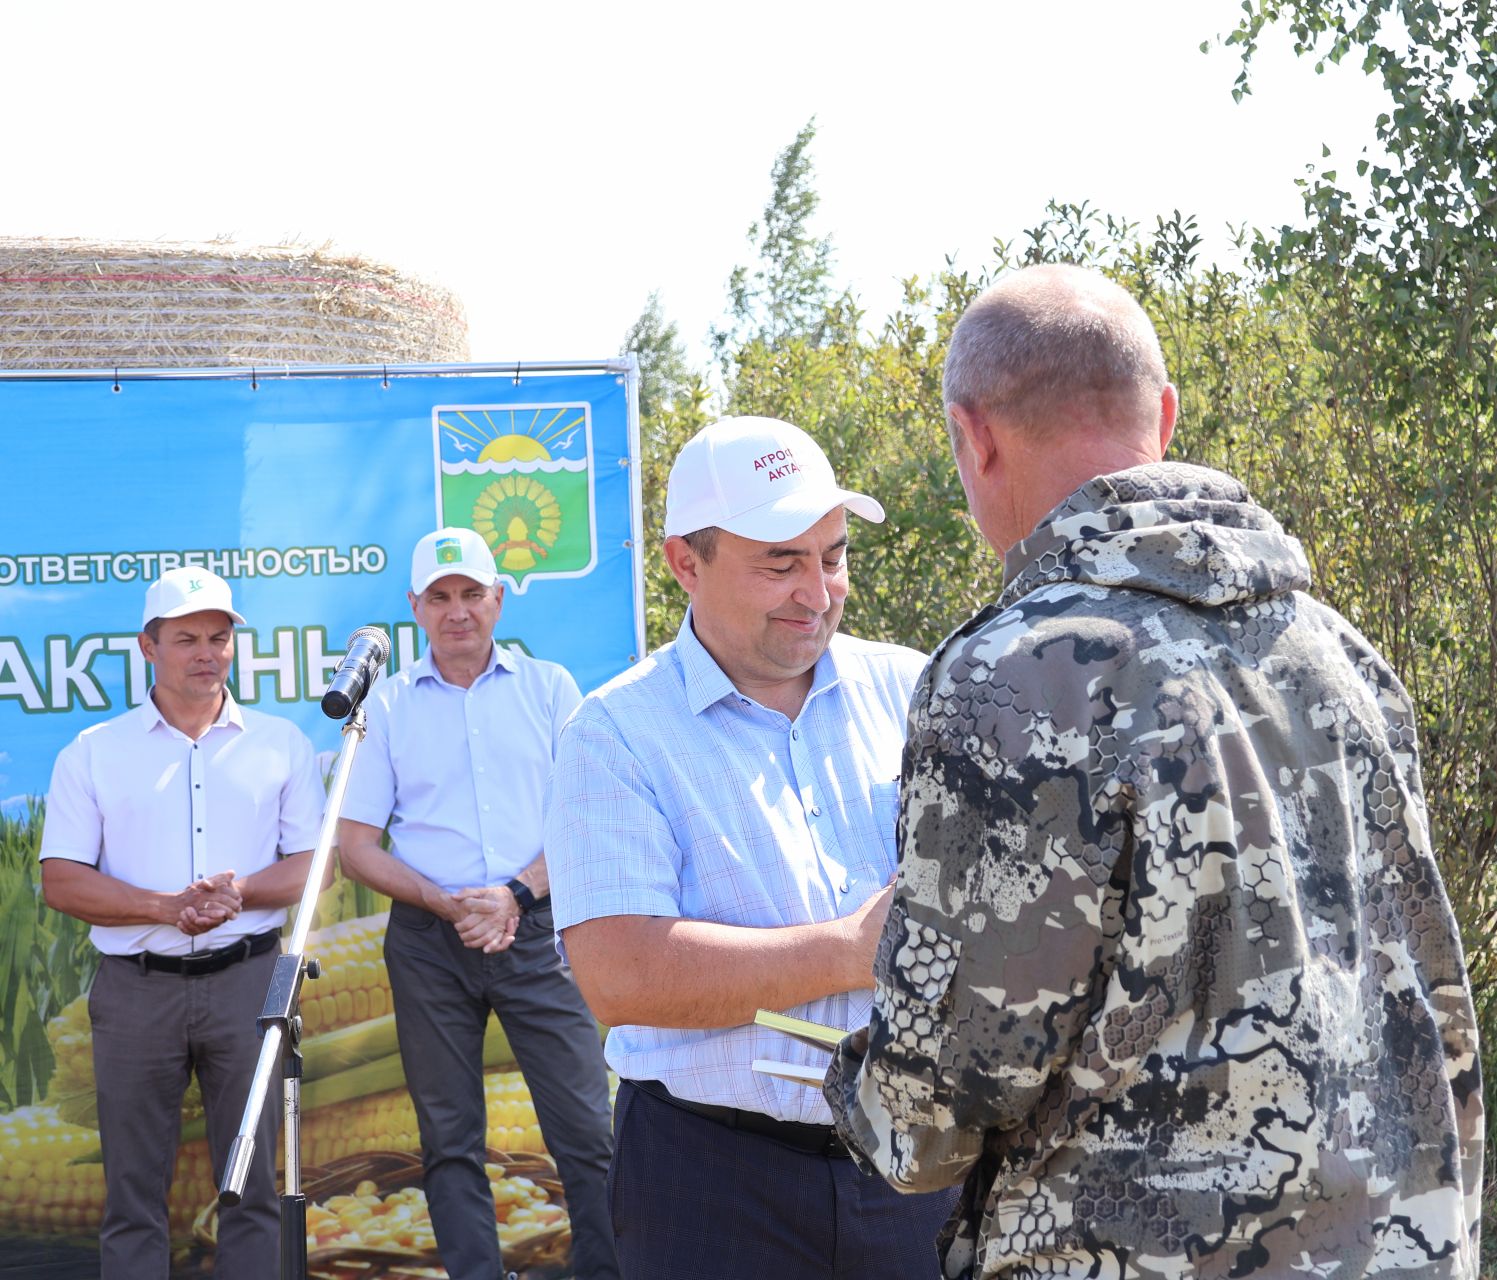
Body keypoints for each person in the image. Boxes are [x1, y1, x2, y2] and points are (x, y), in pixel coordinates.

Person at [824, 263, 1486, 1278]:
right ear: (1163, 415)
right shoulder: (1340, 653)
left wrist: (861, 1091)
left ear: (976, 434)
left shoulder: (1017, 674)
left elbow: (944, 1094)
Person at [545, 415, 959, 1279]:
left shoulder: (918, 687)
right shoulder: (615, 734)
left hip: (914, 1166)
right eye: (780, 562)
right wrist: (849, 951)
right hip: (711, 1182)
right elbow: (619, 976)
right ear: (684, 564)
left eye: (833, 555)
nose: (818, 591)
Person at [336, 527, 616, 1280]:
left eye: (470, 594)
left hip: (538, 930)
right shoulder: (386, 706)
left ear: (498, 598)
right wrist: (445, 901)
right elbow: (355, 845)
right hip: (430, 942)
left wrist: (515, 894)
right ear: (415, 609)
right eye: (440, 597)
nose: (457, 610)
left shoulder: (552, 688)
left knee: (589, 1131)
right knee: (450, 1142)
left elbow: (585, 818)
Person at [38, 567, 325, 1279]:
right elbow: (61, 881)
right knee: (134, 1194)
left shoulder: (280, 743)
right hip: (138, 990)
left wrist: (239, 894)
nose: (207, 652)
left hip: (249, 982)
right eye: (187, 638)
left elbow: (311, 868)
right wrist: (166, 909)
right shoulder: (93, 753)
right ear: (148, 645)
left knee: (251, 1188)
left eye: (220, 638)